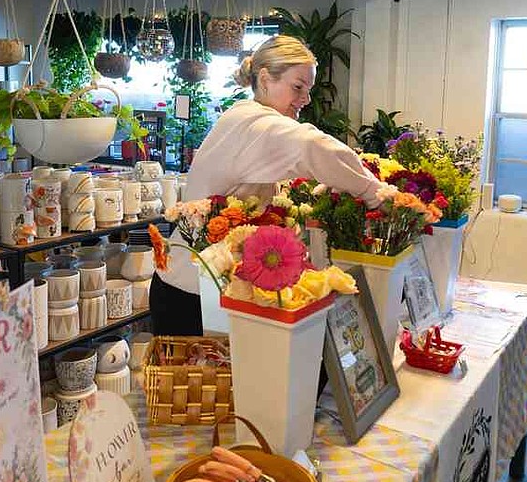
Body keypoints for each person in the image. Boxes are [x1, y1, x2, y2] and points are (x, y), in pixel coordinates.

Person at [150, 35, 387, 336]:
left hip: (199, 285)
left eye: (308, 90)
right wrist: (374, 193)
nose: (305, 99)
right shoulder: (255, 124)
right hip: (189, 293)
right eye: (297, 87)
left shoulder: (247, 118)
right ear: (265, 78)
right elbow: (313, 146)